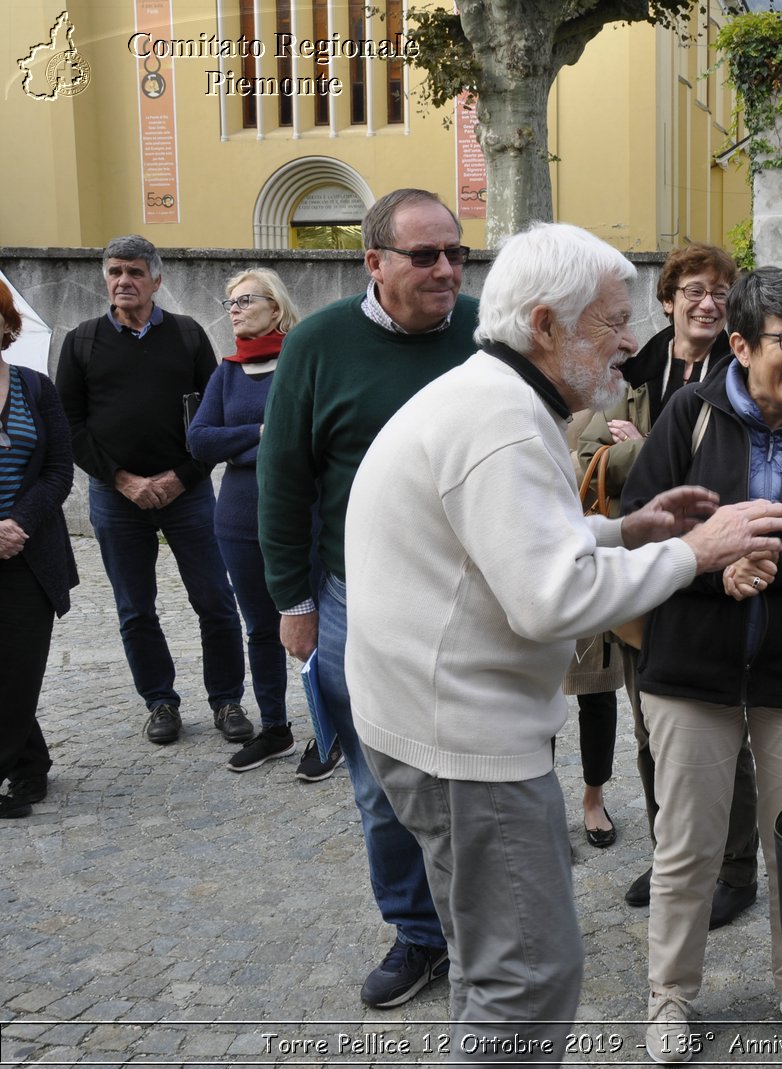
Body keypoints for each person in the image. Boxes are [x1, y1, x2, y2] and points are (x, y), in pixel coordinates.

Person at [345, 222, 782, 1063]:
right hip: (462, 742)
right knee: (527, 975)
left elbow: (509, 548)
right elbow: (550, 598)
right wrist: (692, 552)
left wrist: (624, 532)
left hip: (429, 722)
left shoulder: (499, 398)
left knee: (495, 965)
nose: (629, 342)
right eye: (611, 322)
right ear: (544, 324)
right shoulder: (507, 423)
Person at [622, 266, 782, 1063]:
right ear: (739, 344)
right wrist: (712, 566)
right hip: (689, 669)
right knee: (688, 843)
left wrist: (774, 559)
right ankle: (669, 996)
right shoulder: (687, 416)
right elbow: (642, 530)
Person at [257, 188, 475, 1008]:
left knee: (488, 771)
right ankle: (419, 933)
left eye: (455, 253)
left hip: (478, 601)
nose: (447, 270)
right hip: (361, 602)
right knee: (382, 783)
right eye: (425, 256)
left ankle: (484, 929)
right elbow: (284, 480)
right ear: (374, 261)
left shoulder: (487, 335)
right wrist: (294, 600)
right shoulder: (318, 344)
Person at [576, 242, 762, 921]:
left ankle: (735, 868)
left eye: (719, 290)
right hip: (640, 577)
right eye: (693, 289)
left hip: (716, 574)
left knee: (720, 726)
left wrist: (642, 445)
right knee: (652, 727)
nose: (706, 301)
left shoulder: (744, 368)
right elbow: (587, 456)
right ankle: (670, 852)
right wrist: (642, 449)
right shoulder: (633, 364)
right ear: (669, 299)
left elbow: (727, 469)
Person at [56, 235, 247, 747]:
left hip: (187, 493)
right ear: (105, 278)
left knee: (215, 599)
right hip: (115, 498)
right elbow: (69, 425)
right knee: (135, 607)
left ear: (156, 280)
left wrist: (180, 476)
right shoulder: (82, 341)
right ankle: (160, 702)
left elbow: (217, 415)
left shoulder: (186, 336)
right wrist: (123, 480)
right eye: (115, 271)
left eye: (135, 272)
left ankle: (228, 699)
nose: (124, 281)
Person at [187, 269, 339, 781]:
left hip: (304, 518)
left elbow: (317, 438)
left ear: (276, 308)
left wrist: (256, 444)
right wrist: (263, 434)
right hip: (236, 520)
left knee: (317, 626)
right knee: (260, 627)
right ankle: (275, 726)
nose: (233, 309)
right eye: (228, 302)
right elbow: (200, 441)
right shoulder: (226, 372)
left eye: (244, 300)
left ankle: (329, 732)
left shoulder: (303, 363)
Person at [0, 280, 78, 819]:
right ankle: (28, 764)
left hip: (28, 553)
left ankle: (22, 764)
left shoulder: (36, 387)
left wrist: (16, 523)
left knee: (19, 669)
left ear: (7, 326)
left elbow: (57, 470)